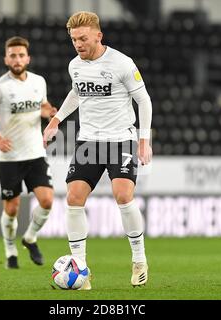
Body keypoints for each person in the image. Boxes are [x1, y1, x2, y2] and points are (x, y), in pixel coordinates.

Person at [43, 12, 153, 289]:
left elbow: (144, 100)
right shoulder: (75, 66)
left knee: (123, 194)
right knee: (74, 196)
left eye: (82, 38)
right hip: (89, 141)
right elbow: (77, 93)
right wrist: (56, 120)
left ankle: (139, 259)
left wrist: (143, 140)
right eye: (73, 39)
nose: (78, 44)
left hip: (121, 140)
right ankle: (81, 268)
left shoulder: (122, 64)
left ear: (98, 36)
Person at [0, 36, 58, 269]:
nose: (17, 59)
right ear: (6, 59)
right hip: (10, 158)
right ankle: (11, 251)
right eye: (12, 55)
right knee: (12, 209)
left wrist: (48, 112)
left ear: (28, 58)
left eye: (21, 55)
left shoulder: (38, 82)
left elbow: (42, 106)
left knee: (47, 200)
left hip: (35, 153)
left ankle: (30, 237)